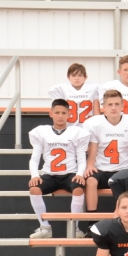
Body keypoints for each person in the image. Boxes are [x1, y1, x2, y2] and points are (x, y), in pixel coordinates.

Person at [28, 99, 90, 239]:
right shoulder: (41, 132)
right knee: (34, 189)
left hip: (70, 174)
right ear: (51, 114)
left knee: (79, 188)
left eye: (63, 113)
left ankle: (75, 226)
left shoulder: (77, 132)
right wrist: (34, 175)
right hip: (50, 174)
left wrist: (80, 173)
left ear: (69, 114)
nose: (60, 116)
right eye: (57, 112)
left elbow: (81, 158)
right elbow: (35, 157)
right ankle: (45, 227)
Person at [82, 90, 128, 221]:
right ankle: (91, 221)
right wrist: (89, 165)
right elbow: (93, 148)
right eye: (110, 104)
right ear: (104, 107)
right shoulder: (95, 124)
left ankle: (124, 219)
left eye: (117, 104)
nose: (113, 108)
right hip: (100, 169)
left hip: (122, 169)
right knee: (90, 180)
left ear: (123, 106)